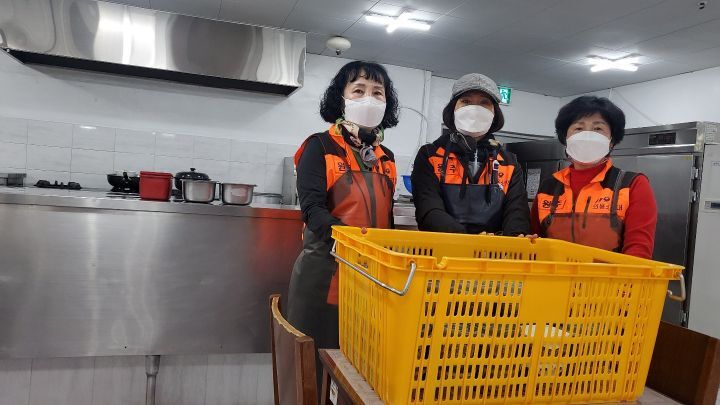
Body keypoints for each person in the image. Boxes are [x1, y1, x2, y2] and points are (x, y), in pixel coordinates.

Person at [287, 61, 399, 378]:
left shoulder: (386, 157)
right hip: (325, 273)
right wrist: (353, 241)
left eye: (378, 93)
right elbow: (312, 210)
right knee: (314, 367)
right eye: (359, 90)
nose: (369, 98)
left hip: (371, 277)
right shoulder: (319, 146)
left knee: (360, 367)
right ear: (342, 98)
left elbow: (387, 220)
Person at [531, 96, 657, 258]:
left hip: (610, 275)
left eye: (598, 129)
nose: (588, 135)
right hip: (554, 274)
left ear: (611, 141)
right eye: (578, 128)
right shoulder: (548, 187)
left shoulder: (632, 185)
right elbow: (535, 242)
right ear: (565, 138)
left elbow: (638, 251)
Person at [411, 73, 530, 236]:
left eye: (484, 103)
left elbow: (517, 213)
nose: (475, 109)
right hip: (443, 247)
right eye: (466, 101)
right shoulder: (429, 155)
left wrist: (513, 238)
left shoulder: (509, 163)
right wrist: (470, 241)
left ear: (495, 113)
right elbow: (428, 210)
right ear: (453, 109)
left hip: (495, 249)